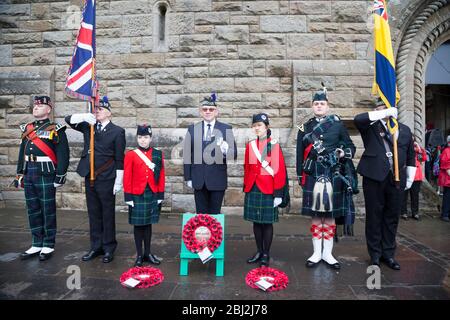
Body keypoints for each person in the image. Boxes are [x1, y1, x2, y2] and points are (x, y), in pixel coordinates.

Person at [296, 87, 356, 270]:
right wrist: (301, 174)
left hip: (332, 174)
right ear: (312, 106)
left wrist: (342, 153)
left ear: (327, 106)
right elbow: (300, 153)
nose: (319, 106)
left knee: (329, 216)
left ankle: (328, 253)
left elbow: (350, 147)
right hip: (313, 173)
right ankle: (316, 253)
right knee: (315, 215)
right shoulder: (305, 127)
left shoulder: (337, 125)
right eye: (316, 104)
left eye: (322, 104)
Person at [354, 98, 415, 270]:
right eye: (382, 107)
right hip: (374, 177)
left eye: (388, 107)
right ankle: (374, 254)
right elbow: (359, 119)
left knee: (392, 217)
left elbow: (410, 154)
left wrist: (410, 176)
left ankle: (388, 254)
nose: (385, 109)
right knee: (374, 216)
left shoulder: (404, 129)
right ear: (378, 109)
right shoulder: (370, 127)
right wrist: (384, 113)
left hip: (396, 178)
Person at [65, 96, 126, 263]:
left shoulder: (117, 131)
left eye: (101, 109)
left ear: (109, 113)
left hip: (107, 177)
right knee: (93, 213)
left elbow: (120, 158)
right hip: (89, 176)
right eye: (96, 109)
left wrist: (118, 181)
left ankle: (108, 247)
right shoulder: (89, 126)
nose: (97, 111)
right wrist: (84, 116)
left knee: (107, 214)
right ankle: (95, 247)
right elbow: (68, 120)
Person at [17, 95, 70, 261]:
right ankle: (36, 243)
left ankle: (48, 244)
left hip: (46, 172)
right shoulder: (28, 128)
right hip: (29, 172)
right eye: (35, 106)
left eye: (40, 106)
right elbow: (22, 153)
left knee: (47, 210)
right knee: (32, 209)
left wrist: (60, 175)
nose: (36, 108)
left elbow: (63, 154)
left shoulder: (56, 128)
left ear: (48, 109)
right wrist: (20, 173)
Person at [243, 113, 287, 267]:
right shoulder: (250, 145)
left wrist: (278, 193)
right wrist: (246, 186)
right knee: (256, 222)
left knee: (267, 223)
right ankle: (259, 251)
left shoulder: (273, 145)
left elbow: (279, 170)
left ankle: (266, 253)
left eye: (259, 125)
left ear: (266, 127)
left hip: (268, 188)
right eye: (254, 125)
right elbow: (247, 168)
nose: (257, 128)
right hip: (253, 187)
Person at [183, 93, 237, 214]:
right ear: (201, 112)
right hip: (198, 179)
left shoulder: (225, 129)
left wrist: (224, 149)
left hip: (217, 180)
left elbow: (233, 155)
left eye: (211, 109)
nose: (208, 112)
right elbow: (187, 155)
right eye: (205, 109)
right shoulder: (192, 129)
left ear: (216, 112)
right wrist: (188, 177)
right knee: (201, 216)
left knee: (215, 217)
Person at [123, 124, 165, 266]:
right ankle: (139, 255)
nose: (143, 140)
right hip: (137, 194)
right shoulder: (131, 155)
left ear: (150, 138)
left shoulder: (158, 154)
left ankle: (148, 253)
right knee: (138, 225)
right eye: (140, 137)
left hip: (152, 193)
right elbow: (127, 176)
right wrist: (127, 196)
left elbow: (161, 175)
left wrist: (160, 194)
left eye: (146, 137)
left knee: (148, 224)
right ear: (137, 138)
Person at [401, 141, 427, 220]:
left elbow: (423, 159)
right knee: (404, 196)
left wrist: (420, 149)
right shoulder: (404, 150)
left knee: (415, 196)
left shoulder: (418, 151)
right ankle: (403, 212)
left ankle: (415, 213)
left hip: (416, 176)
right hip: (406, 175)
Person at [438, 135, 450, 222]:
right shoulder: (446, 151)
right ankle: (445, 214)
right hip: (448, 178)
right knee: (447, 197)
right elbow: (446, 165)